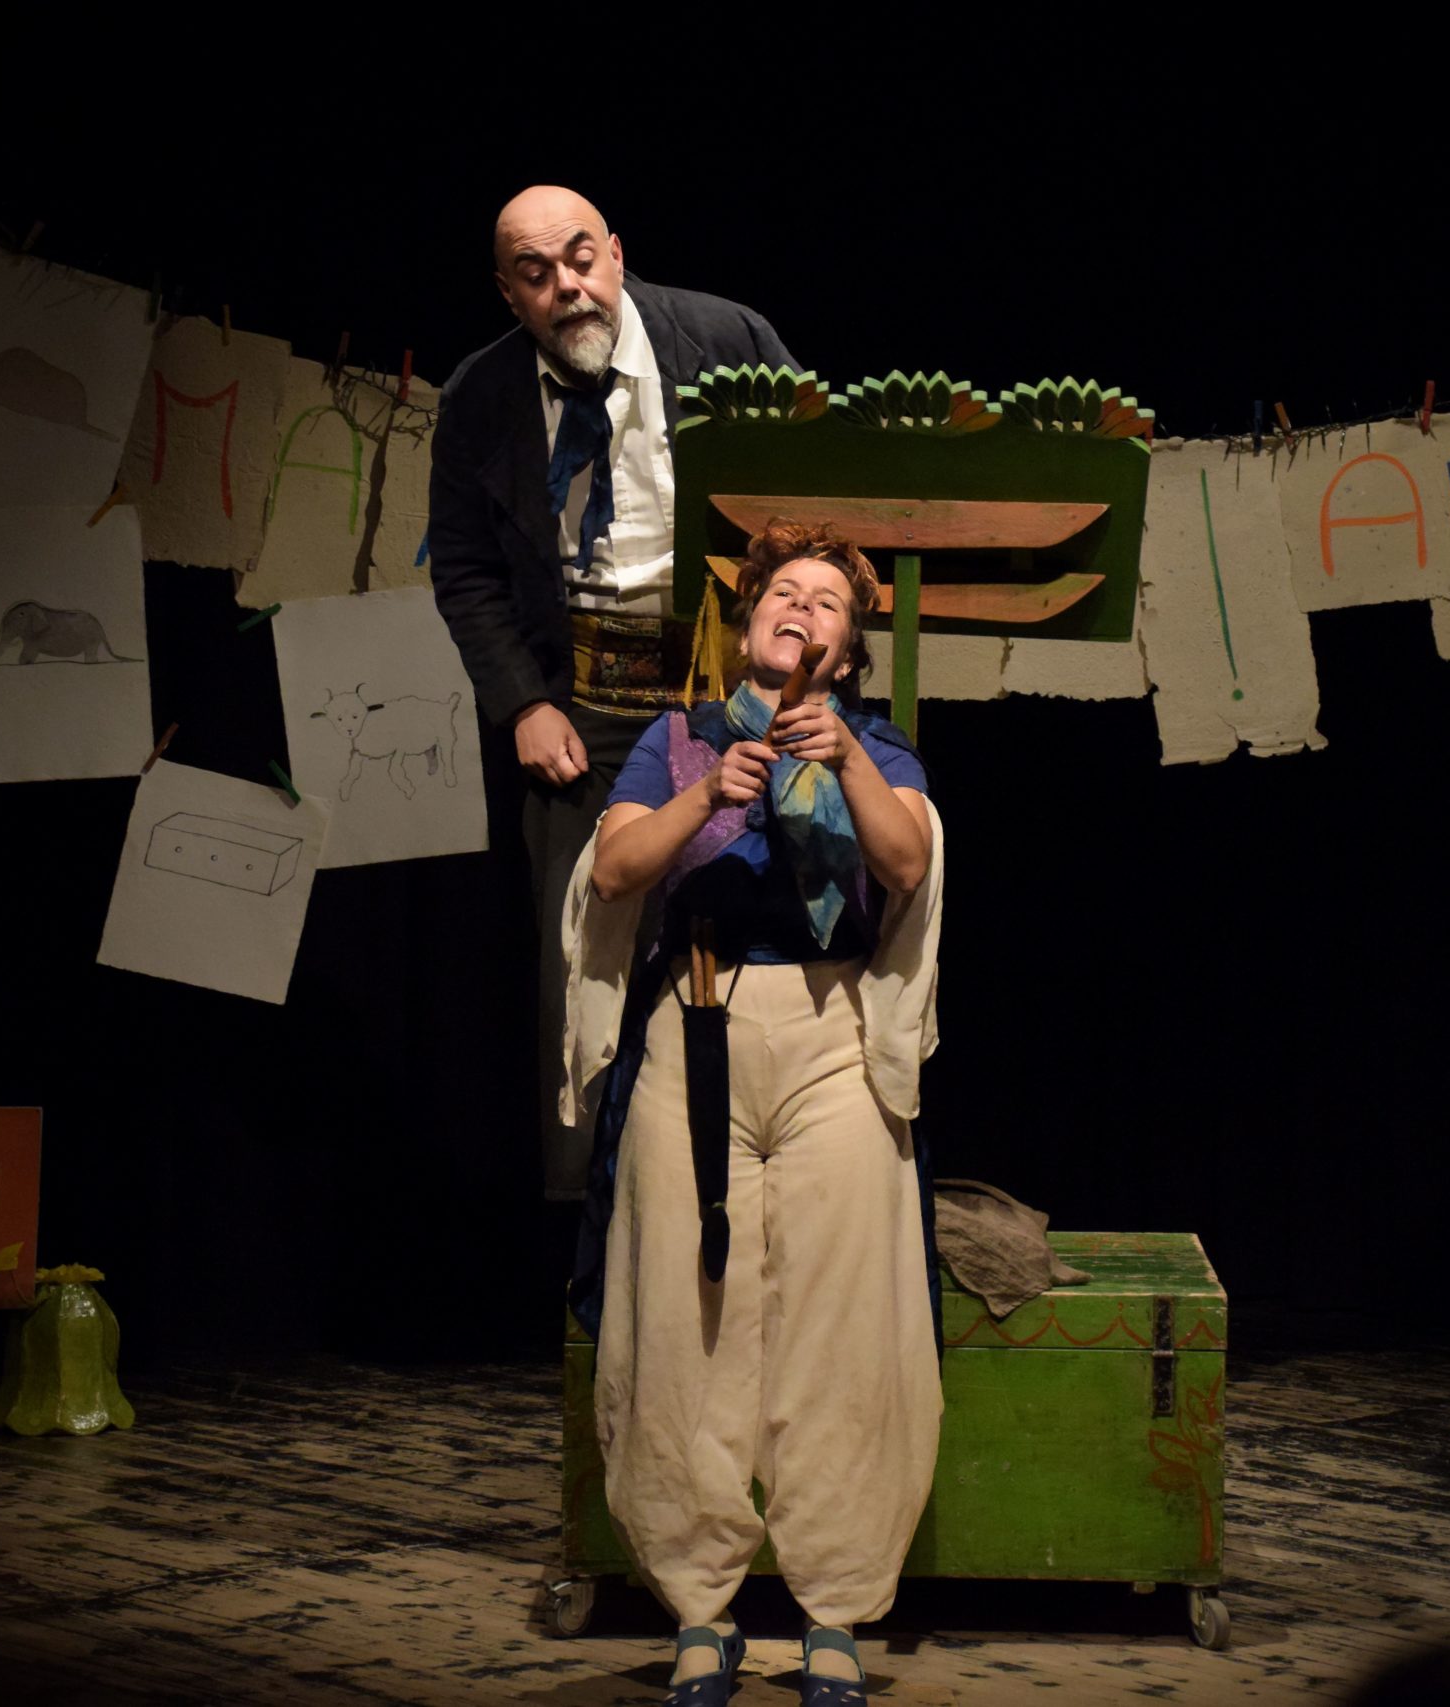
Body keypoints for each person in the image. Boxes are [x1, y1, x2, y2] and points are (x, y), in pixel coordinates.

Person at [561, 521, 946, 1706]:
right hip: (698, 1030)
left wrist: (846, 757)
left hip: (830, 1038)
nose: (801, 609)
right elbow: (614, 871)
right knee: (687, 1323)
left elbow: (905, 864)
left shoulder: (879, 742)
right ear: (747, 623)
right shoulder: (677, 739)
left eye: (828, 601)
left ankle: (833, 1611)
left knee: (842, 1324)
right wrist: (705, 794)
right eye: (783, 592)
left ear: (851, 647)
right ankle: (700, 1609)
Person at [428, 185, 800, 1200]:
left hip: (729, 673)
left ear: (617, 254)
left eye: (581, 259)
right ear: (509, 292)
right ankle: (596, 1221)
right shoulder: (480, 397)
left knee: (757, 919)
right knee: (584, 955)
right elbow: (463, 569)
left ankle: (758, 1179)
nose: (568, 287)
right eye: (537, 273)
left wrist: (782, 649)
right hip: (580, 698)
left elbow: (813, 497)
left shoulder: (726, 341)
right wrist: (522, 702)